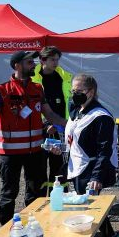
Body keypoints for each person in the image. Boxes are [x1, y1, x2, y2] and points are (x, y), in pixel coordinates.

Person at [0, 50, 68, 225]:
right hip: (10, 154)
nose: (34, 64)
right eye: (29, 62)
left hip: (36, 152)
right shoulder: (1, 90)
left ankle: (34, 226)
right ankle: (7, 230)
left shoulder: (37, 89)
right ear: (17, 65)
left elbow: (50, 115)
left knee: (36, 193)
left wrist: (72, 125)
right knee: (9, 193)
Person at [60, 73, 117, 237]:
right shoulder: (77, 110)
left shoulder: (101, 117)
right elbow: (74, 138)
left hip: (90, 168)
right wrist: (60, 147)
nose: (74, 94)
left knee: (88, 207)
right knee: (88, 206)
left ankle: (104, 235)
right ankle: (109, 234)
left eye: (79, 91)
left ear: (91, 92)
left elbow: (104, 149)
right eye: (72, 91)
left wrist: (96, 177)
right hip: (77, 166)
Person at [31, 46, 73, 192]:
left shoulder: (64, 77)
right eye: (52, 59)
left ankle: (60, 199)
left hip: (61, 129)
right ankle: (39, 202)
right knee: (39, 168)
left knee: (60, 168)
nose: (56, 63)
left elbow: (69, 103)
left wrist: (65, 124)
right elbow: (34, 107)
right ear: (42, 60)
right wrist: (46, 124)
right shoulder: (32, 79)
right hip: (40, 131)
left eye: (57, 59)